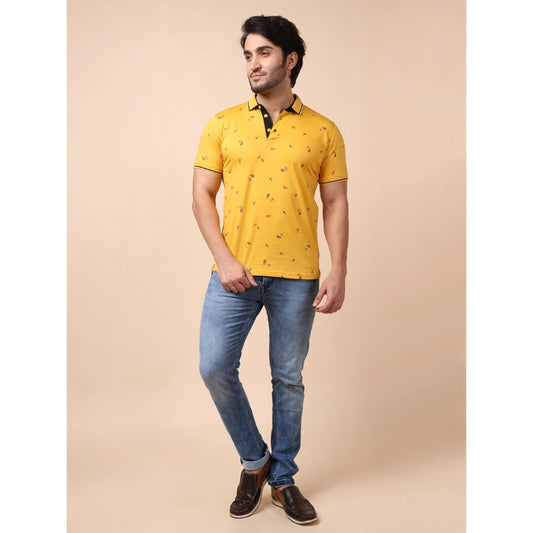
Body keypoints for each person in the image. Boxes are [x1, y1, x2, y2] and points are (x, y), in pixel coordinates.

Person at [192, 15, 349, 525]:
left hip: (297, 276)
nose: (253, 64)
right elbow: (201, 196)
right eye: (247, 55)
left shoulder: (323, 130)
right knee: (215, 367)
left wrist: (338, 270)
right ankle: (254, 460)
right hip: (233, 273)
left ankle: (282, 480)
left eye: (263, 53)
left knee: (288, 379)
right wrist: (224, 258)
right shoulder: (222, 123)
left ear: (290, 59)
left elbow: (336, 203)